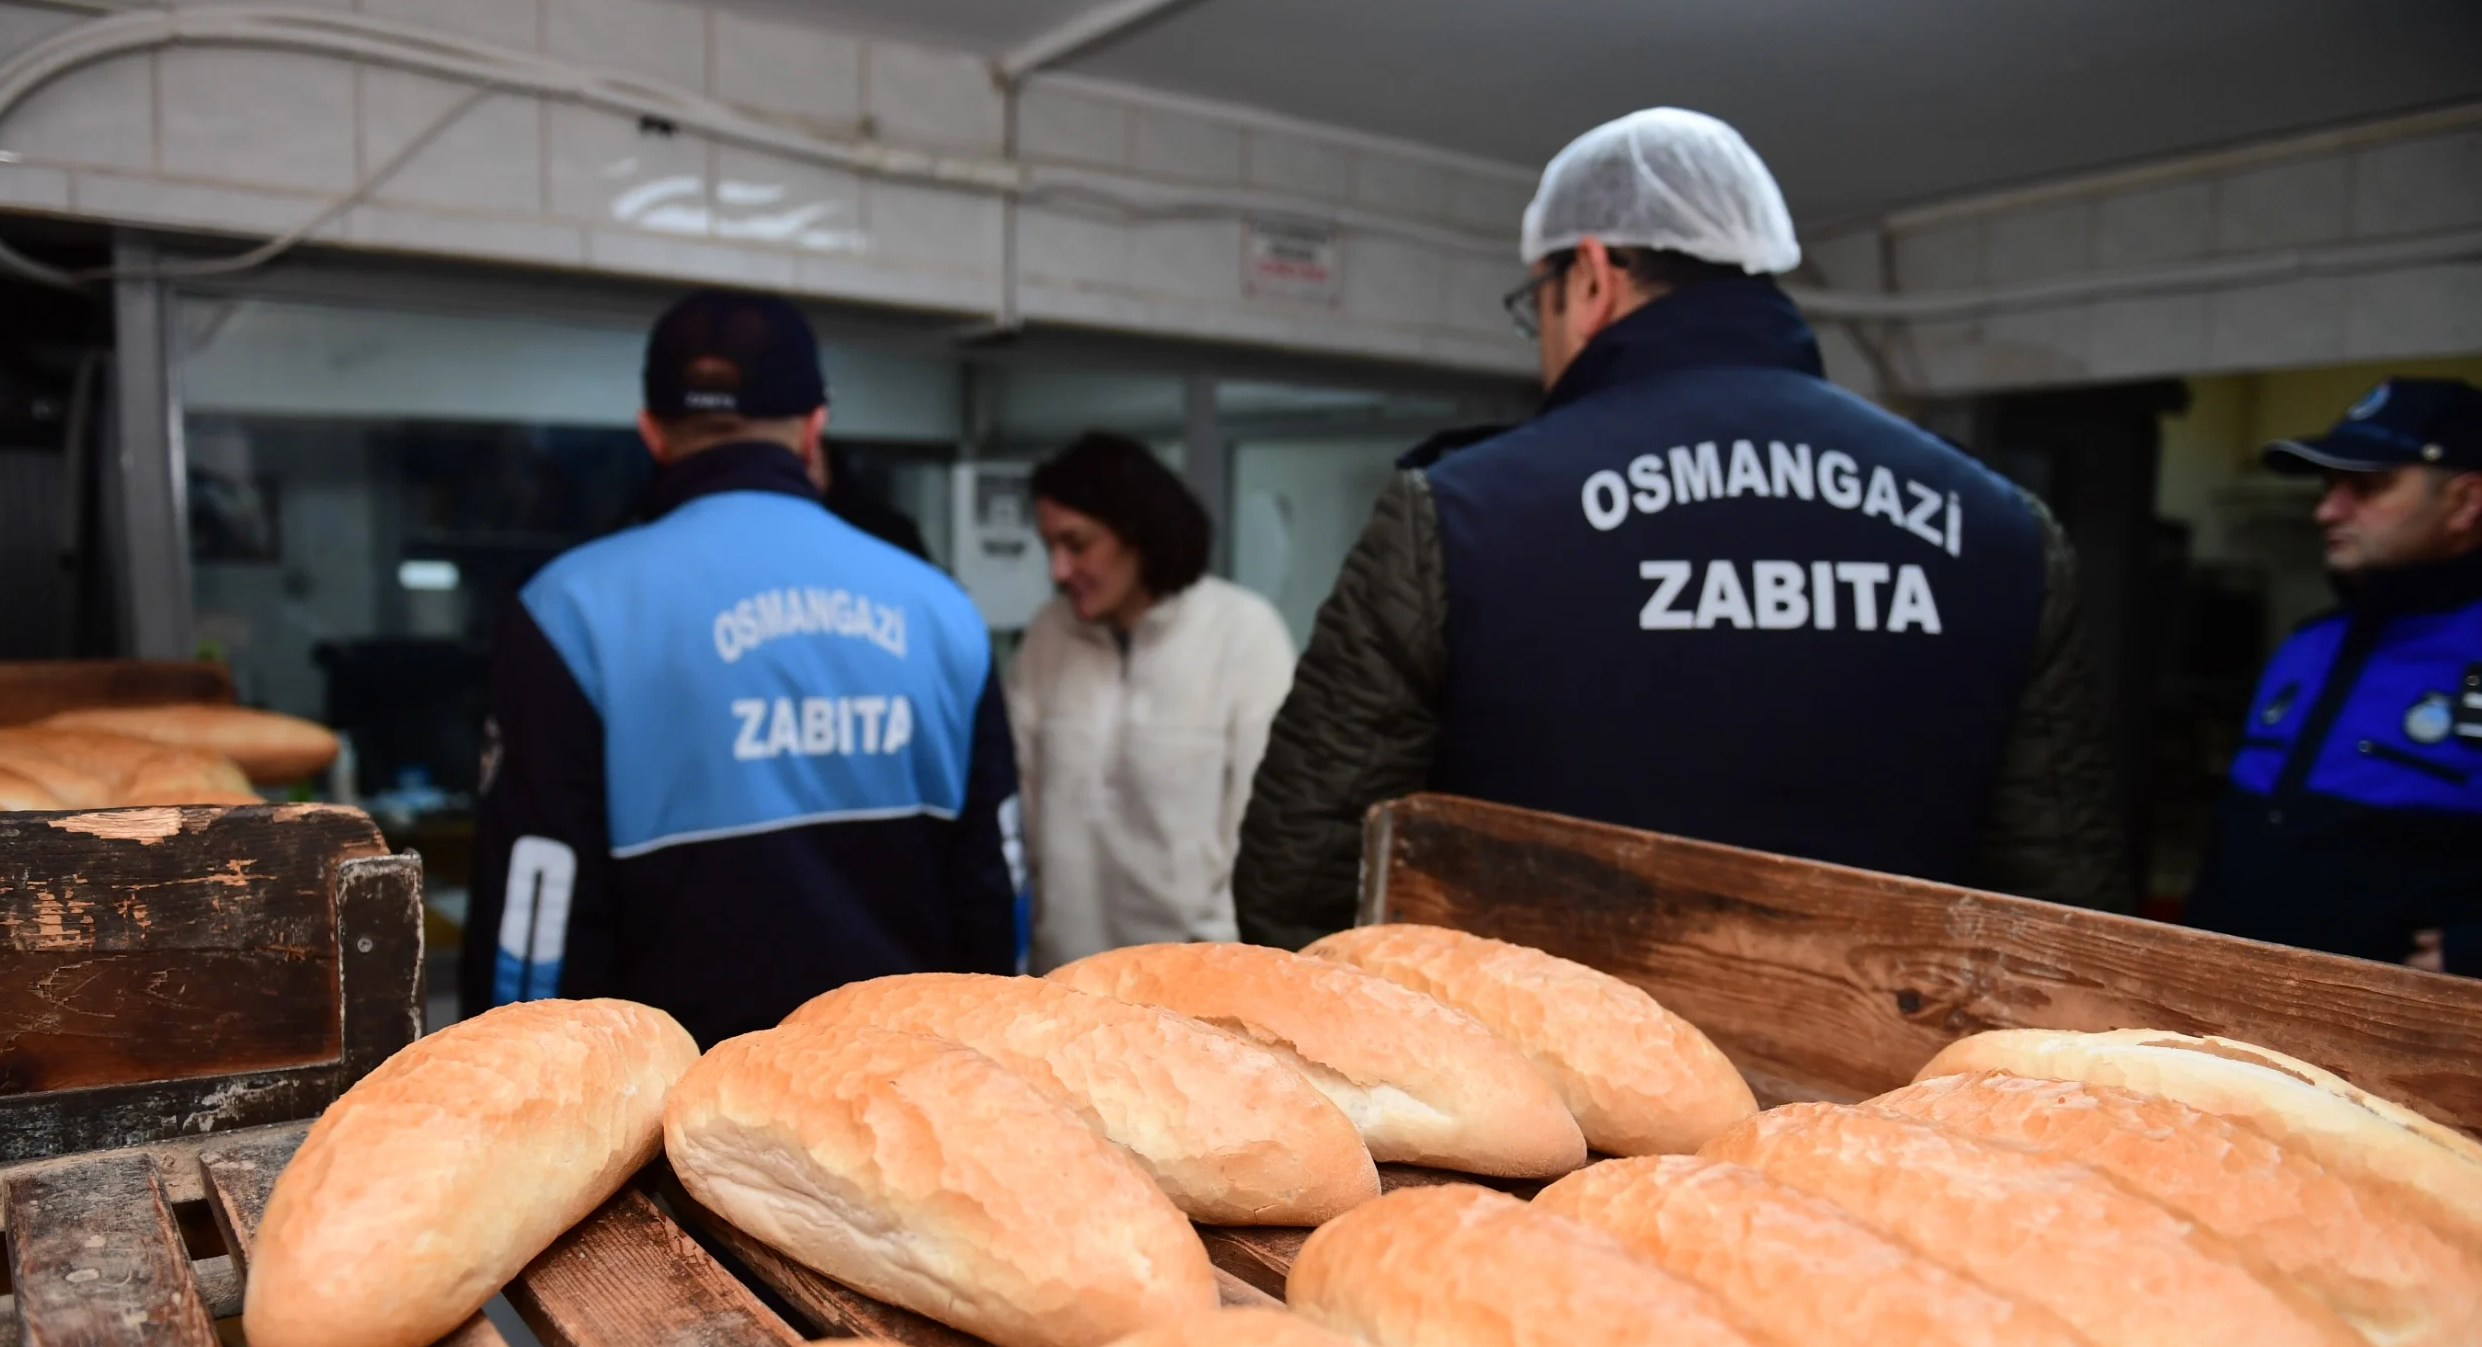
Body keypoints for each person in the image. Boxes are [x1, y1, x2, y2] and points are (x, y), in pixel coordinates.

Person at [1234, 107, 2129, 948]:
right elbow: (2071, 914)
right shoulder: (2003, 529)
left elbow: (1304, 879)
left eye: (1533, 306)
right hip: (1890, 1100)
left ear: (1590, 275)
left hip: (1573, 1101)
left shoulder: (1460, 513)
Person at [461, 289, 1021, 1045]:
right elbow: (994, 893)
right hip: (902, 1106)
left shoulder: (569, 613)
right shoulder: (940, 608)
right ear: (816, 427)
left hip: (678, 1130)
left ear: (652, 432)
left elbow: (536, 910)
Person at [2185, 378, 2482, 976]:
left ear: (2464, 502)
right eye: (2329, 487)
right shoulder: (2307, 643)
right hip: (2234, 1013)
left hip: (2402, 1049)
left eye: (2367, 487)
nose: (2327, 510)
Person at [1007, 432, 1295, 969]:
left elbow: (1271, 830)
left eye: (1078, 544)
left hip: (1196, 986)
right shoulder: (1047, 638)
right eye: (1051, 547)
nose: (1059, 571)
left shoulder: (1242, 634)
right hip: (1068, 980)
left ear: (1136, 532)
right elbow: (1020, 809)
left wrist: (1220, 955)